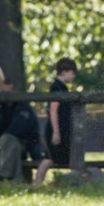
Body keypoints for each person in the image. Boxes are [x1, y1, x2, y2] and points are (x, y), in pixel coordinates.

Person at [0, 79, 44, 182]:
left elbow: (34, 134)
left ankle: (4, 178)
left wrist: (37, 157)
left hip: (21, 147)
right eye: (3, 93)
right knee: (8, 142)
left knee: (8, 140)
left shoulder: (25, 109)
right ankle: (16, 180)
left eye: (8, 93)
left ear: (15, 92)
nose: (5, 96)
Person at [34, 57, 78, 185]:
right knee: (49, 159)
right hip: (56, 129)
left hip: (63, 129)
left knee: (57, 158)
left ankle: (67, 182)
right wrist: (56, 132)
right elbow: (53, 110)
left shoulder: (63, 88)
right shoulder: (56, 88)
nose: (73, 75)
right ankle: (37, 183)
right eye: (72, 72)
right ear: (64, 71)